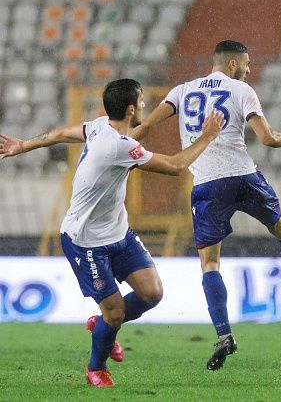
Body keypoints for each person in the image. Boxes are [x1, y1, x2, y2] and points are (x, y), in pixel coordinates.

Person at [0, 79, 224, 387]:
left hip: (118, 232)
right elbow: (174, 166)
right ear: (132, 109)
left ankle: (102, 325)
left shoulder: (100, 127)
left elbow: (61, 133)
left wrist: (24, 144)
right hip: (85, 241)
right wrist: (209, 136)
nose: (144, 105)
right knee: (115, 312)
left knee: (152, 293)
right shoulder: (120, 146)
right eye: (143, 101)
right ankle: (96, 368)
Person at [130, 40, 281, 371]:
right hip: (243, 176)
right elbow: (267, 138)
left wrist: (127, 140)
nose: (249, 69)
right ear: (231, 65)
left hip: (207, 184)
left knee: (210, 264)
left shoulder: (182, 91)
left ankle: (225, 335)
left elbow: (148, 125)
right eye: (247, 63)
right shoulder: (241, 90)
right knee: (279, 226)